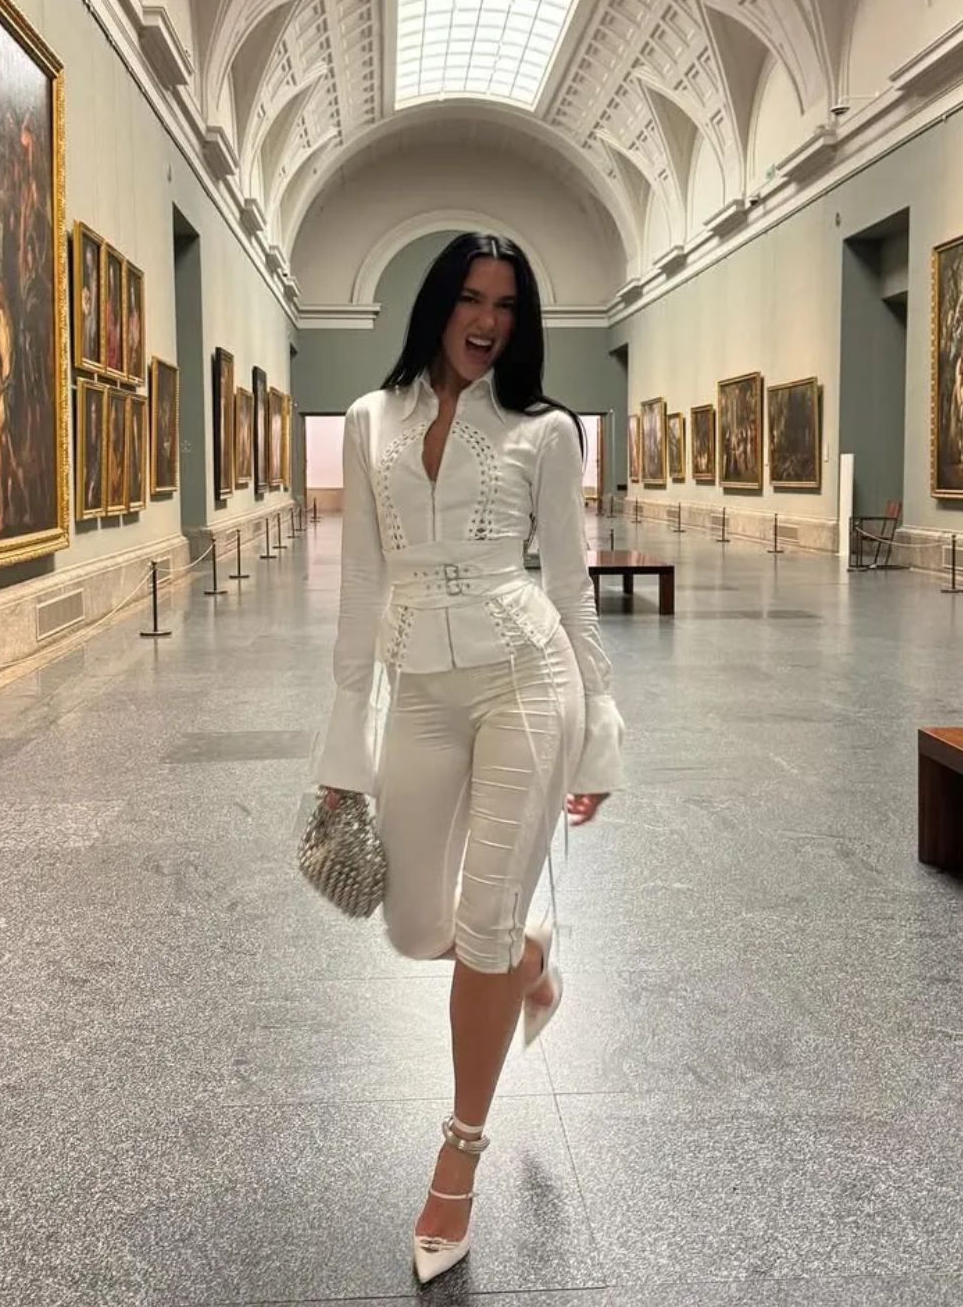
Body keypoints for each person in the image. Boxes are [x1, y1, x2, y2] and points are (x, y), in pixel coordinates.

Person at [314, 232, 623, 1283]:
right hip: (422, 693)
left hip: (525, 683)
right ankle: (530, 965)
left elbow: (571, 587)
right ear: (437, 304)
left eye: (506, 305)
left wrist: (601, 733)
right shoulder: (369, 421)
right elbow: (359, 587)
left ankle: (458, 1158)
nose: (488, 320)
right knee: (410, 924)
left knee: (479, 925)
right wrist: (340, 752)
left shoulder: (543, 431)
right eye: (471, 299)